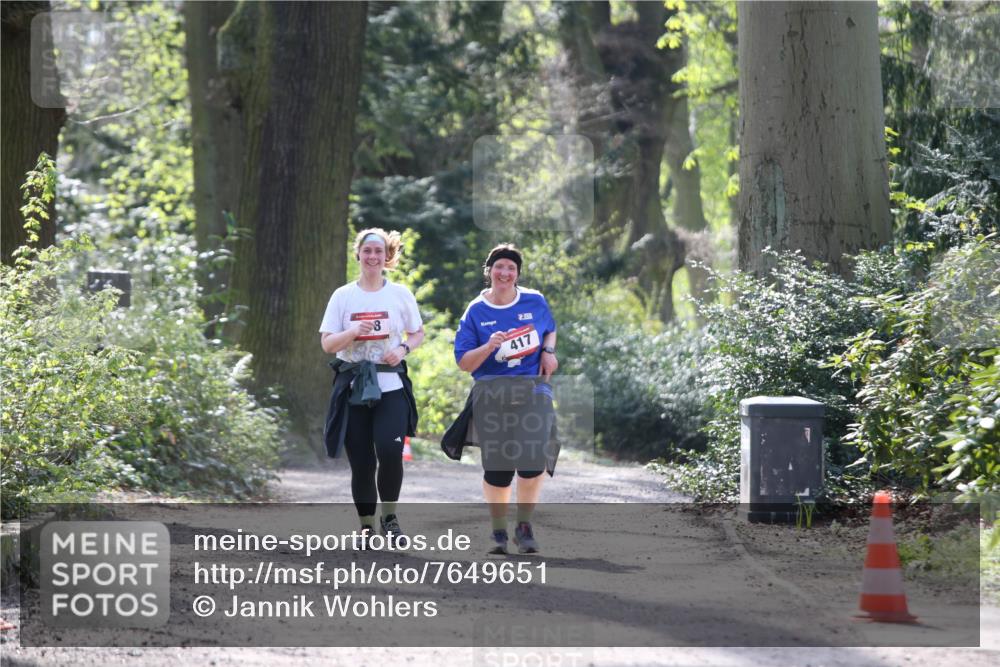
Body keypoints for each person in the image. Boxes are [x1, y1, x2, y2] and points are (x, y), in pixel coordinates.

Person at [442, 243, 559, 554]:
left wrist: (548, 351)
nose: (505, 273)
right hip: (491, 394)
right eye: (499, 267)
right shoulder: (476, 312)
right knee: (499, 469)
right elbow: (465, 363)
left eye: (511, 268)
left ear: (517, 274)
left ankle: (524, 526)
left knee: (533, 460)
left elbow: (550, 329)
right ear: (489, 271)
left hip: (532, 390)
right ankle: (498, 532)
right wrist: (489, 347)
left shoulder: (534, 301)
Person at [320, 228, 424, 546]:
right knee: (363, 462)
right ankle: (366, 527)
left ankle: (389, 518)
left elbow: (417, 333)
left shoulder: (400, 294)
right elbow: (327, 344)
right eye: (367, 251)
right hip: (353, 385)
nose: (373, 257)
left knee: (391, 451)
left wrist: (403, 349)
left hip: (390, 384)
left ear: (387, 257)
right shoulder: (342, 296)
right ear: (359, 255)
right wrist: (351, 331)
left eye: (379, 252)